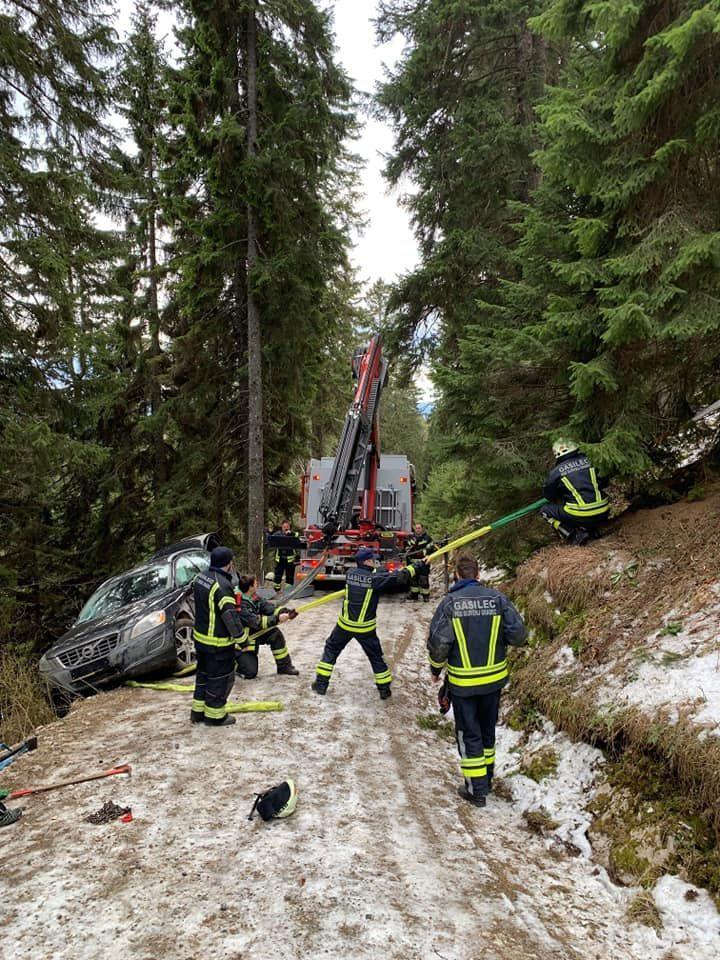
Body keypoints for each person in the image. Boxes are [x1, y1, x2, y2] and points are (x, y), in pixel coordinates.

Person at [427, 553, 527, 807]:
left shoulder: (450, 603)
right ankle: (487, 779)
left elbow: (439, 643)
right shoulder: (498, 599)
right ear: (478, 574)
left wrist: (436, 669)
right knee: (486, 731)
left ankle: (476, 789)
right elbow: (518, 635)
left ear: (457, 576)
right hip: (494, 681)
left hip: (463, 683)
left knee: (468, 733)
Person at [312, 546, 421, 700]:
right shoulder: (375, 580)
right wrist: (418, 565)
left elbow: (372, 575)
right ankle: (384, 690)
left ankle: (321, 685)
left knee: (331, 650)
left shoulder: (350, 574)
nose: (375, 562)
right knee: (376, 657)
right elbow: (399, 576)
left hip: (344, 625)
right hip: (365, 629)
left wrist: (381, 570)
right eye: (373, 560)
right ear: (367, 561)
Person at [191, 546, 263, 727]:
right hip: (217, 643)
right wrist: (242, 640)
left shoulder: (201, 578)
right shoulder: (223, 586)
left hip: (200, 640)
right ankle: (215, 716)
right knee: (220, 679)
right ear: (228, 564)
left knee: (203, 676)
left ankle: (198, 712)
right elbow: (231, 618)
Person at [539, 439, 610, 545]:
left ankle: (573, 535)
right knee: (584, 505)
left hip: (579, 515)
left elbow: (549, 495)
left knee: (545, 511)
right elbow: (604, 482)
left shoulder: (555, 472)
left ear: (556, 453)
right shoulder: (591, 459)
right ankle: (593, 529)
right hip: (604, 511)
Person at [234, 574, 299, 678]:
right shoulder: (239, 602)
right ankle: (235, 663)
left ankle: (284, 667)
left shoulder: (252, 595)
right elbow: (256, 622)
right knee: (250, 673)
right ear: (250, 587)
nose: (258, 584)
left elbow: (267, 607)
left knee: (275, 633)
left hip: (254, 633)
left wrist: (285, 612)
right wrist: (278, 619)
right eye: (255, 583)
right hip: (243, 642)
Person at [404, 521, 435, 601]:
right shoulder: (410, 537)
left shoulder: (427, 538)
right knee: (413, 579)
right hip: (412, 562)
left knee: (423, 579)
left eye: (419, 528)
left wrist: (425, 551)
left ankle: (426, 596)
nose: (417, 530)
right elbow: (406, 546)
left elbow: (431, 548)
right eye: (416, 528)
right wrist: (407, 549)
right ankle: (414, 594)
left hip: (423, 562)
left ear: (422, 529)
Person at [271, 519, 301, 594]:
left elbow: (298, 535)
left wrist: (291, 533)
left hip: (290, 560)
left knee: (290, 577)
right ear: (282, 527)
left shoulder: (293, 534)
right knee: (278, 575)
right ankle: (276, 591)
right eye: (284, 527)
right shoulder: (278, 534)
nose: (286, 528)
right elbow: (272, 538)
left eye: (287, 527)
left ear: (289, 527)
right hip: (280, 559)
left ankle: (288, 592)